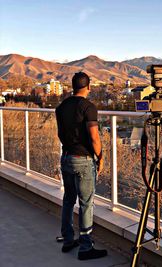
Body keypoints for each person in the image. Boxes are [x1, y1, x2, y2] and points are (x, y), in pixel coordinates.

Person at [55, 72, 107, 260]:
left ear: (72, 86)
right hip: (83, 160)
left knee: (69, 199)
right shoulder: (88, 107)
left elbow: (60, 133)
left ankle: (68, 239)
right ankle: (86, 247)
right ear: (89, 87)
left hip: (66, 157)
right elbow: (94, 136)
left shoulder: (61, 107)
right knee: (86, 203)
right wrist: (100, 157)